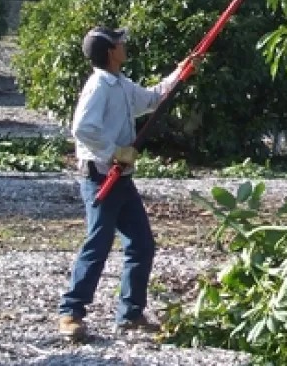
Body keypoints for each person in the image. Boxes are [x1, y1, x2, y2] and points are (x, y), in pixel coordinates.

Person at [56, 25, 194, 342]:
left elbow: (152, 99)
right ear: (109, 51)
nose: (123, 46)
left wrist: (181, 71)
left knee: (141, 244)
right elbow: (82, 128)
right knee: (98, 244)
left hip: (122, 180)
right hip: (101, 177)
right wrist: (113, 152)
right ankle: (71, 312)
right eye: (119, 42)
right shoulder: (99, 86)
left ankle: (130, 315)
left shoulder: (120, 83)